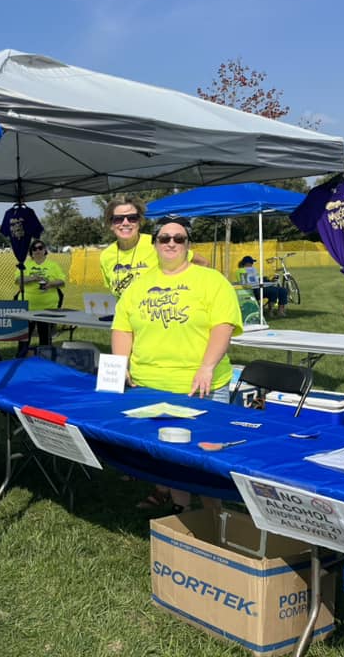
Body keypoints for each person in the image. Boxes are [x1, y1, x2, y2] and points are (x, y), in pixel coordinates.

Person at [111, 216, 242, 513]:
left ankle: (214, 514)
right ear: (155, 244)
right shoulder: (139, 285)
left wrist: (207, 366)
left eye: (179, 238)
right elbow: (122, 327)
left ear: (188, 245)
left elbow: (223, 326)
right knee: (168, 455)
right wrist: (120, 364)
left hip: (201, 386)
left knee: (205, 455)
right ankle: (181, 511)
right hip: (150, 387)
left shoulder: (211, 281)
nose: (171, 243)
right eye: (164, 238)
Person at [99, 195, 207, 298]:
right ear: (111, 224)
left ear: (139, 222)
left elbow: (202, 262)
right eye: (118, 219)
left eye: (132, 218)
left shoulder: (158, 243)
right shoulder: (106, 256)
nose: (125, 223)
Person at [16, 240, 67, 356]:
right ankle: (20, 359)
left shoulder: (53, 265)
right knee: (24, 338)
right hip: (27, 308)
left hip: (48, 308)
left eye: (40, 248)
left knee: (45, 338)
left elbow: (62, 281)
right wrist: (33, 278)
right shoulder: (25, 265)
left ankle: (45, 359)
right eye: (34, 249)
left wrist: (50, 284)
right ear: (31, 252)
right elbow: (18, 280)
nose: (37, 250)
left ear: (45, 250)